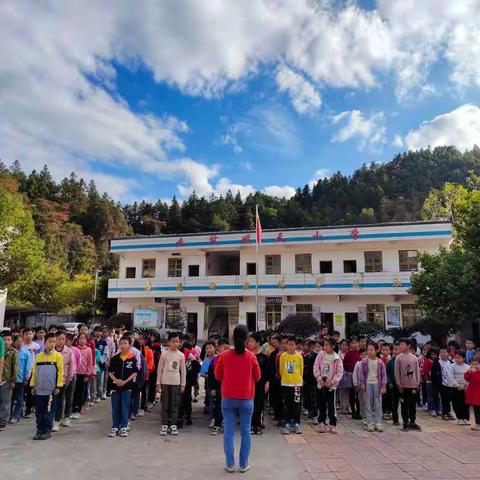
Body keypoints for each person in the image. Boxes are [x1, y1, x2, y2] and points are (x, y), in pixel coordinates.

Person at [214, 325, 260, 473]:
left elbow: (217, 375)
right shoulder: (251, 356)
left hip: (227, 398)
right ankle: (243, 464)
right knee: (246, 431)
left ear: (233, 337)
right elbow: (258, 376)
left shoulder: (224, 355)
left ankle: (229, 464)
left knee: (228, 431)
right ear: (247, 339)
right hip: (246, 398)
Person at [30, 332, 64, 440]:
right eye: (50, 341)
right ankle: (39, 429)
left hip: (51, 391)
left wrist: (58, 386)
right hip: (39, 390)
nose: (52, 344)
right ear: (45, 343)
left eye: (54, 341)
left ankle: (47, 430)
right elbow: (34, 372)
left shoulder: (58, 356)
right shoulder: (39, 357)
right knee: (39, 411)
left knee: (49, 411)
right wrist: (32, 386)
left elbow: (60, 372)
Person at [156, 331, 186, 436]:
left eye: (177, 342)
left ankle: (173, 424)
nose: (175, 344)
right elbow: (159, 369)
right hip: (165, 382)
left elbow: (183, 371)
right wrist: (158, 383)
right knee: (165, 403)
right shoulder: (164, 354)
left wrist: (183, 384)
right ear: (168, 342)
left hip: (176, 383)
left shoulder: (181, 355)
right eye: (173, 341)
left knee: (174, 404)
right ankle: (164, 424)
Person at [108, 336, 139, 437]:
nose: (122, 345)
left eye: (125, 343)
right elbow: (110, 372)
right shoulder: (115, 358)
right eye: (121, 343)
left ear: (130, 345)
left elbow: (135, 372)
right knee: (115, 407)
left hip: (127, 387)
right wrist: (116, 380)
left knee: (125, 407)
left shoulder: (132, 358)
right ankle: (115, 426)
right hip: (115, 387)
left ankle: (124, 427)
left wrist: (125, 381)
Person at [313, 337, 343, 434]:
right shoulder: (321, 354)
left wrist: (332, 382)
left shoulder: (337, 358)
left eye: (327, 345)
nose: (325, 347)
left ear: (333, 346)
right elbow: (316, 366)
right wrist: (319, 378)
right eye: (324, 345)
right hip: (321, 384)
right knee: (321, 404)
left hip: (331, 386)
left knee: (331, 406)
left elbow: (339, 373)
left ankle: (333, 424)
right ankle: (321, 422)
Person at [358, 341, 387, 432]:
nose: (369, 352)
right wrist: (362, 383)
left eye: (372, 350)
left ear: (376, 350)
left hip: (377, 385)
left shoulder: (380, 362)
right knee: (368, 404)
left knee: (378, 404)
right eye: (368, 350)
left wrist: (383, 386)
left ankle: (378, 423)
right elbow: (361, 374)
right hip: (368, 385)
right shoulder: (364, 362)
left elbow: (383, 375)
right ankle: (370, 423)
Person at [279, 336, 304, 435]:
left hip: (297, 384)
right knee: (287, 404)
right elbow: (281, 370)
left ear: (295, 345)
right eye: (289, 344)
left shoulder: (299, 356)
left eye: (292, 345)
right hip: (286, 384)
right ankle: (287, 423)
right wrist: (285, 378)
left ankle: (297, 423)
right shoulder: (283, 356)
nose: (290, 346)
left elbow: (301, 370)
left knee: (296, 404)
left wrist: (297, 380)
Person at [394, 338, 421, 431]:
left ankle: (412, 422)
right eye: (400, 344)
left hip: (413, 385)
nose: (400, 346)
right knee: (404, 404)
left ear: (408, 346)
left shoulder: (414, 357)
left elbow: (417, 370)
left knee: (412, 405)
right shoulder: (398, 358)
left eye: (402, 344)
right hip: (403, 386)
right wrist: (398, 384)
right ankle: (405, 422)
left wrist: (417, 383)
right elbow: (397, 372)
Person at [53, 330, 76, 430]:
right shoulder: (51, 350)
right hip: (53, 379)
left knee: (64, 399)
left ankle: (62, 418)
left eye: (63, 339)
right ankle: (54, 419)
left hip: (65, 379)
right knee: (55, 401)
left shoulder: (69, 351)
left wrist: (69, 379)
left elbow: (72, 366)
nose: (61, 341)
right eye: (59, 339)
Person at [248, 333, 270, 435]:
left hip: (260, 384)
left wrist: (267, 383)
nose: (249, 343)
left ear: (257, 343)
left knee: (259, 404)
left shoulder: (264, 357)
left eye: (252, 341)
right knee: (250, 405)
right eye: (249, 341)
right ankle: (251, 425)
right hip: (248, 384)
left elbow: (268, 372)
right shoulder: (247, 355)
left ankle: (258, 424)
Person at [208, 338, 230, 435]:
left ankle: (227, 425)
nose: (224, 349)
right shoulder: (214, 361)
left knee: (228, 406)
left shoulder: (232, 359)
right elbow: (211, 376)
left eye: (226, 347)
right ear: (218, 348)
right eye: (223, 347)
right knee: (218, 405)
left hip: (229, 387)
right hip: (218, 387)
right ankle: (217, 424)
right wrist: (212, 388)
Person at [71, 332, 95, 418]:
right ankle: (73, 408)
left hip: (84, 374)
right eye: (80, 338)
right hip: (75, 373)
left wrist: (88, 374)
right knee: (74, 392)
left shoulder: (88, 350)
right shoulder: (74, 349)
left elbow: (90, 363)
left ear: (86, 340)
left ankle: (79, 408)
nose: (82, 340)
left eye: (84, 338)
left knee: (82, 392)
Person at [10, 335, 31, 424]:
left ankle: (16, 415)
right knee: (10, 399)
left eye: (21, 341)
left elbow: (28, 367)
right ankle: (9, 415)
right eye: (17, 341)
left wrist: (26, 378)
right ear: (13, 342)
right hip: (11, 379)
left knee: (19, 399)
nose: (20, 343)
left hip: (20, 379)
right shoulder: (11, 352)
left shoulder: (26, 353)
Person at [0, 332, 18, 431]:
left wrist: (13, 380)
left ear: (11, 341)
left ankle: (3, 422)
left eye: (8, 339)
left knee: (5, 401)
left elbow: (15, 367)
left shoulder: (13, 352)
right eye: (4, 339)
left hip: (6, 380)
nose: (6, 341)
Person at [21, 328, 40, 418]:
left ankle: (28, 408)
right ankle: (20, 408)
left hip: (33, 370)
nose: (28, 336)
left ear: (33, 334)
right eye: (26, 334)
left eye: (30, 334)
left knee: (30, 390)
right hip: (22, 371)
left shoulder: (36, 346)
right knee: (21, 391)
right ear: (23, 335)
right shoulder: (21, 346)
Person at [432, 347, 454, 421]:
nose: (443, 354)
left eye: (445, 352)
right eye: (441, 352)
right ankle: (444, 413)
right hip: (441, 384)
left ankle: (448, 412)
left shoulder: (451, 362)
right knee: (444, 398)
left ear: (448, 353)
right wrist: (435, 383)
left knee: (448, 399)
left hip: (450, 384)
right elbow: (433, 374)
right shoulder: (436, 362)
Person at [448, 351, 470, 425]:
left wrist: (466, 385)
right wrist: (457, 385)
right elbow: (450, 377)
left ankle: (465, 418)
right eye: (456, 358)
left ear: (463, 358)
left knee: (465, 404)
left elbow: (470, 378)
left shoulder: (468, 367)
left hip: (465, 388)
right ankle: (459, 418)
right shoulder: (452, 366)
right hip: (456, 388)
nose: (457, 359)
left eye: (459, 358)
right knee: (457, 403)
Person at [343, 336, 361, 419]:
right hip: (350, 375)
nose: (354, 344)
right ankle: (353, 411)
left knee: (359, 394)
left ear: (358, 343)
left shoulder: (360, 353)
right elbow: (345, 364)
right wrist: (349, 370)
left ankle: (359, 411)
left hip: (359, 375)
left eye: (355, 342)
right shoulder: (348, 353)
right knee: (352, 393)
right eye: (352, 343)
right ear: (349, 344)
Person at [268, 334, 283, 424]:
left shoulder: (286, 354)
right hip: (276, 380)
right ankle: (278, 416)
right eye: (272, 343)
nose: (274, 344)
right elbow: (270, 366)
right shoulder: (273, 354)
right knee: (277, 398)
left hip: (286, 379)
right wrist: (275, 374)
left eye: (275, 342)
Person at [423, 347, 440, 416]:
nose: (434, 356)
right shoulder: (427, 361)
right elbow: (424, 371)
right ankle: (432, 409)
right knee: (430, 396)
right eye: (432, 354)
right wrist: (429, 373)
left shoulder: (438, 361)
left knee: (437, 396)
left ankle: (438, 409)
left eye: (435, 354)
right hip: (429, 381)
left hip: (437, 381)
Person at [386, 343, 400, 425]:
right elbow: (387, 374)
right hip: (393, 385)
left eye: (397, 349)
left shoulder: (402, 361)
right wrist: (390, 382)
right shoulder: (390, 362)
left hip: (402, 385)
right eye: (394, 349)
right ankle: (395, 419)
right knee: (394, 403)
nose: (395, 351)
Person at [464, 358, 480, 431]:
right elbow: (466, 378)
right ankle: (477, 424)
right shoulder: (470, 372)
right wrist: (469, 372)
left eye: (476, 364)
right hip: (474, 394)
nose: (474, 366)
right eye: (472, 364)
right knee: (476, 409)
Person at [337, 339, 350, 415]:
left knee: (348, 391)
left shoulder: (349, 354)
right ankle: (343, 408)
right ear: (340, 346)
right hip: (341, 375)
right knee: (342, 392)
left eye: (346, 345)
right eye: (343, 345)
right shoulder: (338, 355)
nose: (344, 346)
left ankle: (348, 407)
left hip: (348, 374)